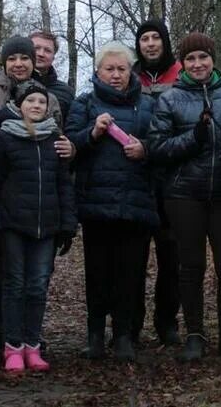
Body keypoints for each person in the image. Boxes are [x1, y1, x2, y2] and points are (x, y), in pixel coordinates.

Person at [147, 32, 221, 362]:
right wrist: (193, 138)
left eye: (203, 57)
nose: (197, 64)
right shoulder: (169, 99)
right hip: (183, 196)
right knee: (191, 266)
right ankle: (194, 335)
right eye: (191, 58)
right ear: (183, 63)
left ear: (213, 60)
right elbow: (157, 149)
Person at [65, 41, 160, 362]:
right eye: (110, 69)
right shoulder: (84, 103)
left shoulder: (148, 105)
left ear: (131, 71)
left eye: (122, 69)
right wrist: (92, 133)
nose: (116, 75)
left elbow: (161, 144)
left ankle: (123, 336)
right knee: (97, 271)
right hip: (96, 203)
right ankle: (94, 335)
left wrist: (144, 150)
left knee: (130, 273)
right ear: (98, 72)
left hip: (136, 203)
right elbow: (69, 145)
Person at [0, 80, 77, 373]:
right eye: (30, 101)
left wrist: (67, 224)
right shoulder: (4, 139)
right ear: (18, 106)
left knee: (38, 286)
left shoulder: (55, 139)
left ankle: (32, 345)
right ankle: (12, 347)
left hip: (46, 226)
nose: (36, 106)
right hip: (13, 224)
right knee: (14, 285)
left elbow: (64, 184)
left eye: (41, 102)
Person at [131, 18, 182, 346]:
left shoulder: (181, 75)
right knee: (132, 259)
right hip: (135, 178)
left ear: (164, 41)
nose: (150, 44)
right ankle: (129, 324)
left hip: (172, 178)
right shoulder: (128, 75)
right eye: (144, 39)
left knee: (171, 256)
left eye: (155, 38)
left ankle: (167, 322)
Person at [29, 29, 75, 123]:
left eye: (47, 50)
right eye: (36, 48)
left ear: (53, 57)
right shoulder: (12, 83)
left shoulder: (66, 92)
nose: (41, 54)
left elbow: (71, 126)